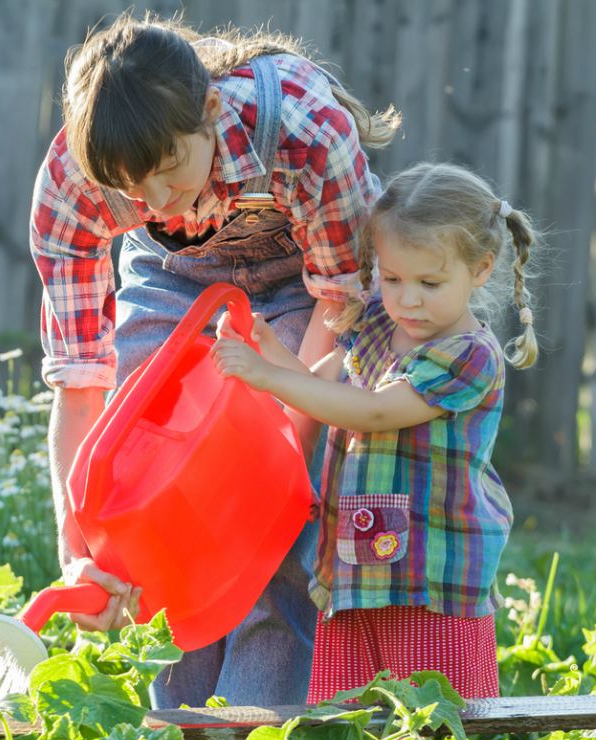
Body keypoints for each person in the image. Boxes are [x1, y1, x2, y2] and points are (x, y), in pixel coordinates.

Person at [29, 12, 398, 708]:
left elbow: (340, 302)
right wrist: (79, 550)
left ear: (209, 111)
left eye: (170, 172)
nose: (158, 200)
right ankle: (174, 739)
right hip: (172, 276)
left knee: (277, 527)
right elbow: (82, 389)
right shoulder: (72, 189)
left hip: (305, 286)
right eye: (133, 192)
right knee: (142, 490)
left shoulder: (302, 128)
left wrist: (273, 460)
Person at [211, 162, 539, 700]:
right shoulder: (380, 327)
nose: (407, 299)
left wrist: (267, 376)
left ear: (481, 268)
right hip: (354, 574)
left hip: (430, 586)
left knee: (434, 732)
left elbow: (374, 412)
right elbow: (320, 387)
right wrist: (267, 350)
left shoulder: (469, 356)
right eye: (391, 278)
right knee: (346, 726)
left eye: (429, 283)